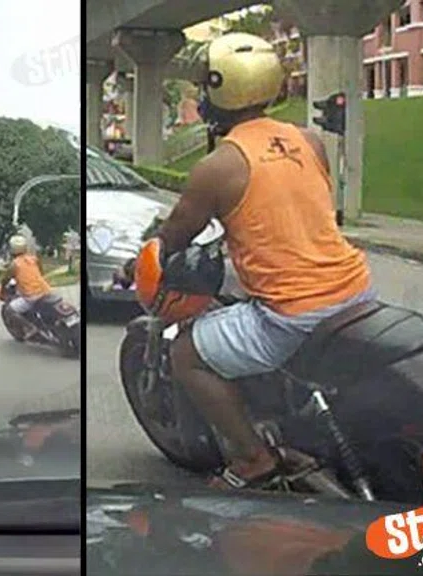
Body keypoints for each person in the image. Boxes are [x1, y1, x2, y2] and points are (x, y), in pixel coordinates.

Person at [133, 32, 377, 490]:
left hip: (294, 315)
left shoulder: (218, 167)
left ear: (218, 91)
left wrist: (140, 261)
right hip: (357, 291)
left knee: (187, 354)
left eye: (206, 87)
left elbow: (174, 235)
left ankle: (253, 460)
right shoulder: (311, 140)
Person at [0, 234, 52, 337]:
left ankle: (29, 327)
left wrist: (2, 288)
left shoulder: (14, 264)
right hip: (46, 291)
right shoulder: (34, 259)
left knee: (9, 310)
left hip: (31, 296)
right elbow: (41, 273)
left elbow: (5, 279)